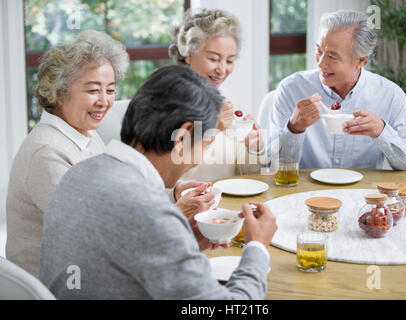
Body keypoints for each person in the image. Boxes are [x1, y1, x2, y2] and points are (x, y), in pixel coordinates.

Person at [39, 65, 277, 299]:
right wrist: (256, 247)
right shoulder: (149, 212)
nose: (201, 158)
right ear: (182, 138)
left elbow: (111, 258)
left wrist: (181, 242)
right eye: (207, 142)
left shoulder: (79, 173)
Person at [5, 30, 129, 277]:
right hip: (56, 284)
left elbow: (115, 196)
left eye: (110, 90)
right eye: (93, 90)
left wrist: (172, 196)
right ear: (60, 93)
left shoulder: (86, 134)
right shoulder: (46, 151)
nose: (104, 101)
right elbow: (94, 232)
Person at [269, 10, 406, 171]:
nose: (321, 64)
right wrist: (294, 128)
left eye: (332, 56)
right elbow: (274, 166)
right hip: (306, 193)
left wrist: (382, 132)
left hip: (364, 194)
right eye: (319, 51)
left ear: (361, 60)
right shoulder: (291, 89)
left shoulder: (390, 96)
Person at [169, 8, 266, 182]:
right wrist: (213, 128)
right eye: (213, 59)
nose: (222, 70)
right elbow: (169, 176)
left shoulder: (226, 99)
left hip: (228, 201)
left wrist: (253, 148)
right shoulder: (167, 102)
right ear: (189, 54)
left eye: (229, 61)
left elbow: (246, 175)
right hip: (190, 205)